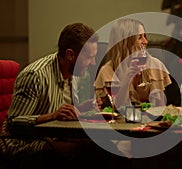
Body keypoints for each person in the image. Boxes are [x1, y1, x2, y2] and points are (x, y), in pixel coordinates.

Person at [0, 23, 129, 169]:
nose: (93, 63)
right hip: (22, 143)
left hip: (51, 136)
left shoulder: (74, 71)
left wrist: (81, 107)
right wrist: (52, 116)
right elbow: (14, 124)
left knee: (106, 148)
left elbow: (61, 111)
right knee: (85, 153)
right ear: (70, 55)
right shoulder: (35, 75)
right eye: (89, 58)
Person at [94, 18, 172, 109]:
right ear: (125, 43)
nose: (145, 41)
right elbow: (113, 109)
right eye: (139, 37)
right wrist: (127, 78)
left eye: (144, 36)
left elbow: (160, 108)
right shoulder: (107, 71)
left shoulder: (155, 65)